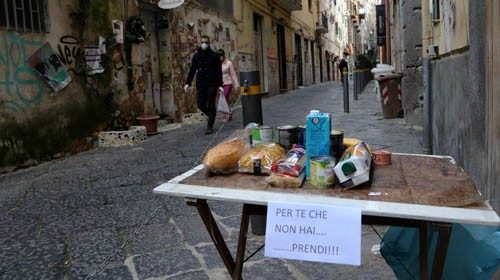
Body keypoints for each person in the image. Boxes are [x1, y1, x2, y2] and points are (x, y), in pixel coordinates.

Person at [184, 35, 223, 135]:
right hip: (201, 83)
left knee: (210, 102)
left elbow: (218, 71)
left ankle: (210, 126)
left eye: (206, 42)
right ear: (200, 43)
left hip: (212, 83)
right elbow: (193, 69)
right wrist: (187, 83)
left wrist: (220, 85)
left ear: (209, 43)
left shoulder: (214, 56)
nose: (204, 44)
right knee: (201, 104)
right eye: (202, 42)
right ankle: (211, 115)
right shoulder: (196, 56)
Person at [217, 49, 239, 122]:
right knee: (223, 100)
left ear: (224, 55)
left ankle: (226, 116)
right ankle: (228, 114)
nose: (220, 57)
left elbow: (233, 74)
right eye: (219, 56)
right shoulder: (216, 63)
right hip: (220, 84)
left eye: (221, 56)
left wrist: (236, 84)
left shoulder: (229, 63)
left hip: (228, 83)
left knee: (224, 98)